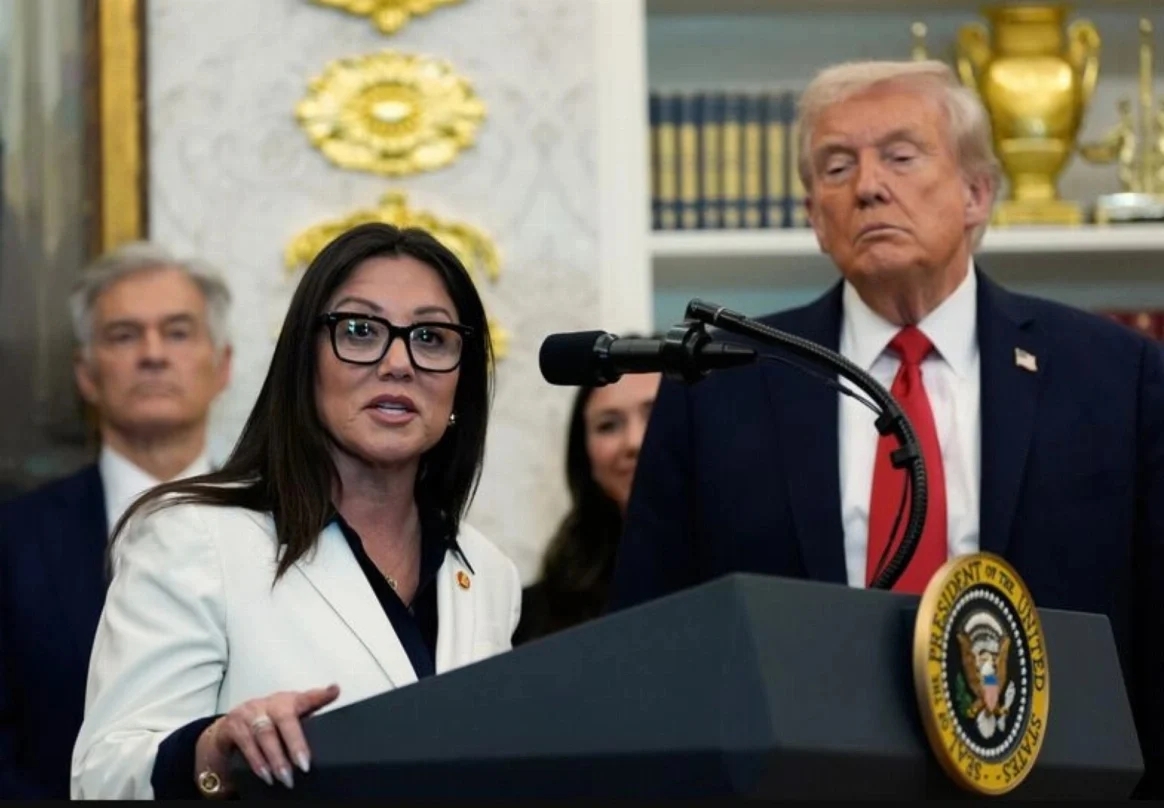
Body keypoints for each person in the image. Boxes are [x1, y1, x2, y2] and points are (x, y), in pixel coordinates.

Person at [609, 60, 1164, 797]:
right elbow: (651, 641)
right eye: (837, 167)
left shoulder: (1115, 375)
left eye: (901, 157)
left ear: (977, 193)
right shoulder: (722, 387)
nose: (868, 186)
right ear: (814, 216)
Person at [69, 223, 522, 799]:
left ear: (462, 382)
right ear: (304, 361)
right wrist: (214, 750)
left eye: (431, 337)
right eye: (360, 331)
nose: (399, 363)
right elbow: (103, 778)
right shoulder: (192, 537)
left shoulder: (487, 573)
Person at [0, 241, 233, 798]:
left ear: (222, 365)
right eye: (125, 335)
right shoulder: (13, 540)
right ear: (85, 372)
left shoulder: (286, 527)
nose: (152, 355)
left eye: (177, 332)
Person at [513, 370, 661, 645]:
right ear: (585, 457)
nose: (634, 442)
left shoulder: (742, 568)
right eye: (608, 426)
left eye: (656, 414)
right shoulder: (532, 616)